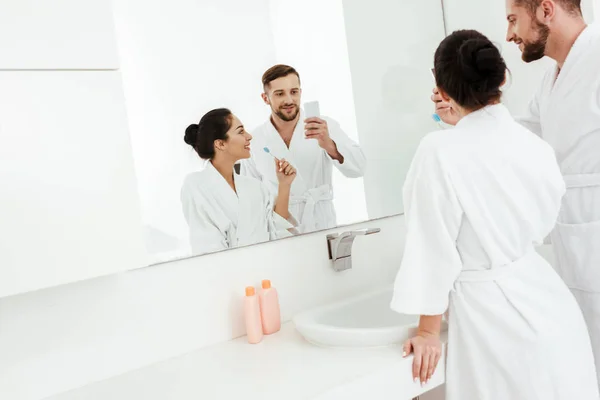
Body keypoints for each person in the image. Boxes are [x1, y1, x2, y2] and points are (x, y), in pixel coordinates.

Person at [392, 30, 599, 399]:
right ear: (501, 79)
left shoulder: (438, 150)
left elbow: (432, 246)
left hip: (493, 322)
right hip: (554, 313)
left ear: (442, 88)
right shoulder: (534, 145)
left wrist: (426, 331)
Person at [239, 64, 366, 233]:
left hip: (321, 223)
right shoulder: (255, 140)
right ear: (265, 98)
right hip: (280, 230)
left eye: (294, 91)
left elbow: (359, 168)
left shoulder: (323, 126)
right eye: (279, 94)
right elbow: (251, 198)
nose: (289, 100)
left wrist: (329, 144)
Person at [181, 108, 297, 255]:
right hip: (228, 275)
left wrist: (284, 185)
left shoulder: (255, 187)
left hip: (265, 270)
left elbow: (277, 232)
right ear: (220, 144)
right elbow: (207, 249)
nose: (249, 137)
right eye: (241, 131)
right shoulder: (196, 185)